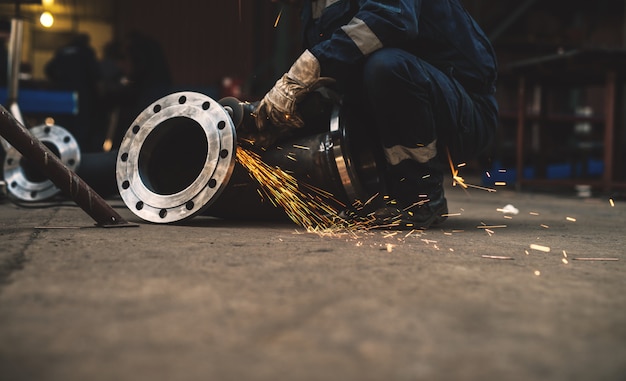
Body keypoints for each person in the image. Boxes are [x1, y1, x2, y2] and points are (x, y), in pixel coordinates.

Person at [254, 0, 499, 229]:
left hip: (463, 112)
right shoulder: (313, 7)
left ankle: (421, 198)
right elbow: (336, 66)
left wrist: (303, 72)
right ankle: (382, 196)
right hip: (393, 104)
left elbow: (392, 19)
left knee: (387, 67)